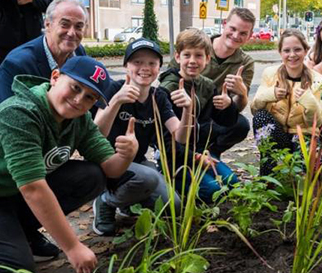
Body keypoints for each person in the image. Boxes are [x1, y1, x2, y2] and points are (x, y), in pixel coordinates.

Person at [0, 56, 136, 273]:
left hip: (7, 192)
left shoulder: (80, 119)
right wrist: (73, 246)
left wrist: (127, 155)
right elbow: (32, 187)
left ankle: (22, 233)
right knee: (12, 269)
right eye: (75, 87)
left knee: (91, 176)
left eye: (89, 97)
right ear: (55, 77)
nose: (79, 100)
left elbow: (110, 169)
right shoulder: (21, 112)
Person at [91, 38, 190, 235]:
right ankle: (105, 202)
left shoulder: (158, 96)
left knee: (175, 207)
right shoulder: (112, 89)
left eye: (152, 63)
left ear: (159, 68)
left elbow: (180, 137)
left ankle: (126, 203)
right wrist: (117, 100)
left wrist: (188, 108)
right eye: (137, 62)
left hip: (135, 163)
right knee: (149, 177)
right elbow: (95, 133)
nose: (144, 68)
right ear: (126, 66)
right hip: (105, 161)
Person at [158, 28, 240, 203]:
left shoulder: (207, 85)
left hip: (201, 152)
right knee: (213, 190)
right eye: (187, 55)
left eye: (199, 55)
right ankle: (171, 186)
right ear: (178, 57)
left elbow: (226, 121)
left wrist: (228, 105)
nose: (193, 61)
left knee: (233, 183)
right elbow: (165, 142)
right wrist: (195, 158)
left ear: (207, 59)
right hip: (174, 159)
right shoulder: (167, 89)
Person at [168, 8, 256, 159]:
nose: (236, 36)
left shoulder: (245, 63)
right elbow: (170, 77)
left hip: (212, 116)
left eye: (243, 33)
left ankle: (212, 153)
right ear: (224, 24)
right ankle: (178, 153)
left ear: (250, 36)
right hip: (185, 112)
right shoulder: (197, 45)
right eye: (233, 29)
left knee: (241, 125)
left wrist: (240, 95)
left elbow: (236, 110)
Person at [251, 29, 322, 176]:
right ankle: (267, 177)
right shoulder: (270, 73)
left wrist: (307, 100)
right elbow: (255, 108)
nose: (292, 55)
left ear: (306, 50)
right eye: (287, 50)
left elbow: (316, 122)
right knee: (260, 116)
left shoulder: (317, 80)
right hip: (278, 135)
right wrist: (271, 94)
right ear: (280, 52)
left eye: (297, 49)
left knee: (303, 177)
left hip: (302, 136)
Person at [0, 0, 87, 104]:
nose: (71, 33)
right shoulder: (16, 65)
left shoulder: (79, 52)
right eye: (64, 24)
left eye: (79, 26)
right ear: (47, 25)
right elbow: (7, 117)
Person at [0, 0, 52, 113]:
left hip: (32, 38)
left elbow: (51, 5)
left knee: (32, 83)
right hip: (3, 38)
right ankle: (3, 116)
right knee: (5, 83)